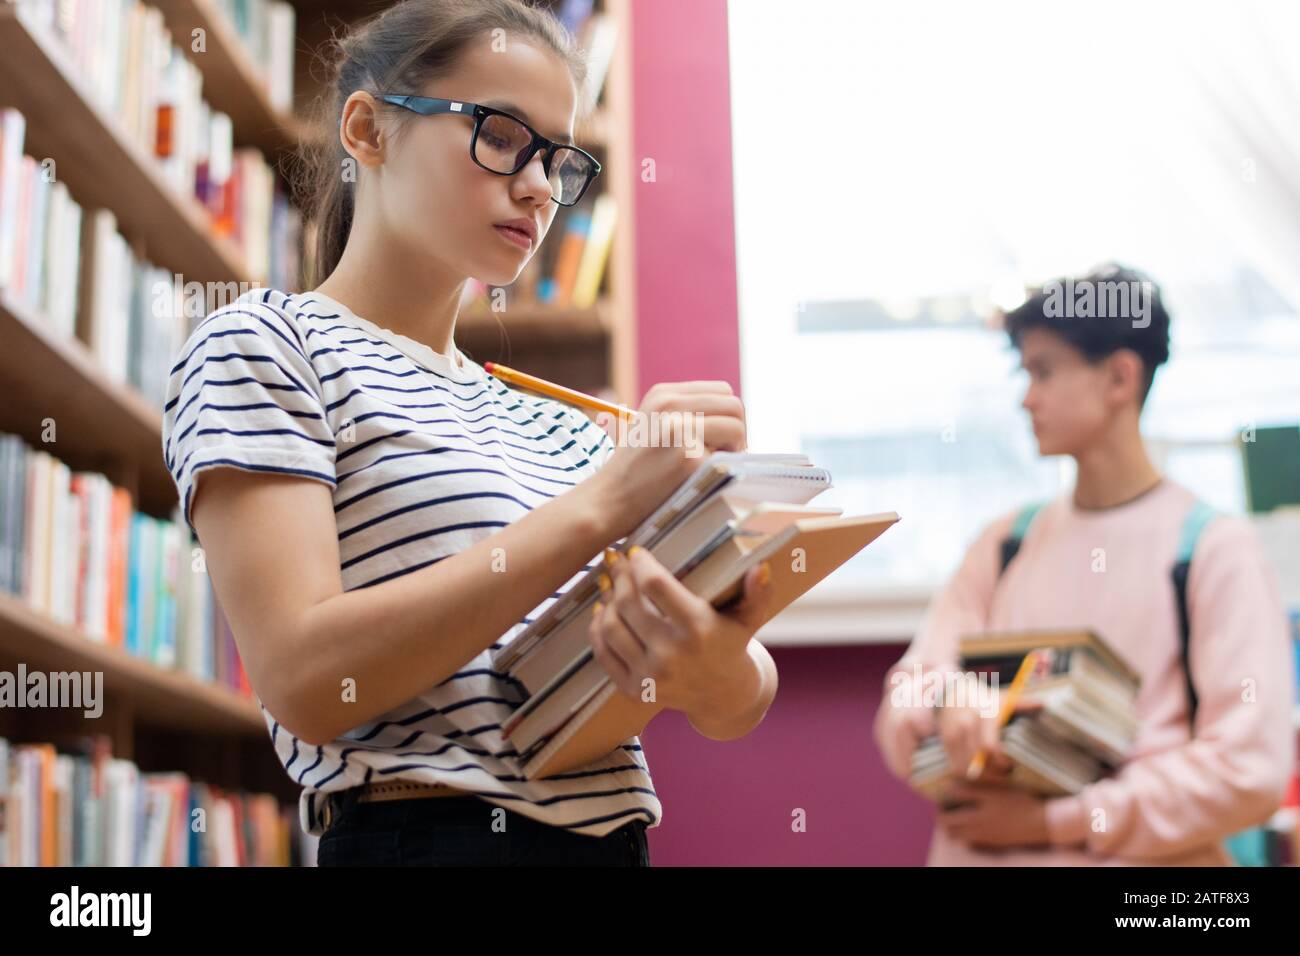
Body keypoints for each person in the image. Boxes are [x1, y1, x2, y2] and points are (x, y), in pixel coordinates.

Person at [161, 0, 777, 867]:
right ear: (369, 131)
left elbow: (740, 699)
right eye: (500, 135)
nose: (538, 186)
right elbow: (307, 677)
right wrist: (604, 505)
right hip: (423, 839)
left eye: (559, 161)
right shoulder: (266, 343)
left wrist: (711, 663)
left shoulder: (569, 424)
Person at [872, 264, 1294, 864]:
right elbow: (905, 699)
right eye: (1024, 371)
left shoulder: (1213, 550)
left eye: (1043, 370)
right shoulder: (1003, 544)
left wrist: (1051, 823)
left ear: (1120, 377)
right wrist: (946, 696)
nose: (1026, 396)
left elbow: (1247, 771)